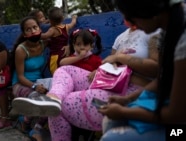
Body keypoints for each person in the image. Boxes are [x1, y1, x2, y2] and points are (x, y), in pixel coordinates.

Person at [12, 15, 162, 140]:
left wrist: (122, 58)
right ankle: (53, 98)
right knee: (64, 71)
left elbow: (158, 70)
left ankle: (50, 109)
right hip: (109, 81)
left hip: (131, 89)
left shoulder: (155, 33)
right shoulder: (121, 37)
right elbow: (110, 63)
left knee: (59, 109)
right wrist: (102, 68)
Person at [98, 0, 186, 141]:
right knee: (113, 121)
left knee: (112, 138)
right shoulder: (168, 30)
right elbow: (164, 79)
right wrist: (127, 99)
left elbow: (177, 114)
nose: (134, 26)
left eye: (133, 20)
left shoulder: (183, 41)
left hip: (179, 130)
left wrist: (125, 112)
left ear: (148, 12)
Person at [11, 16, 50, 141]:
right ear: (24, 33)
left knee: (53, 98)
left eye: (35, 27)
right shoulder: (21, 50)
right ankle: (26, 122)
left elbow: (60, 35)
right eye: (28, 29)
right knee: (36, 97)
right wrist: (34, 86)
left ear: (39, 28)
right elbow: (20, 76)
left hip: (39, 82)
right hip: (21, 84)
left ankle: (33, 125)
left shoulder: (43, 44)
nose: (33, 31)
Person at [41, 6, 78, 75]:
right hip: (65, 54)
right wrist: (74, 18)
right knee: (65, 73)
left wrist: (37, 32)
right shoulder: (66, 27)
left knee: (56, 74)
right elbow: (73, 23)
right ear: (62, 18)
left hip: (55, 56)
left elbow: (45, 36)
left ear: (50, 20)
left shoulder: (53, 30)